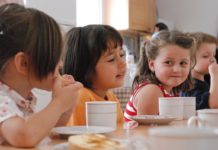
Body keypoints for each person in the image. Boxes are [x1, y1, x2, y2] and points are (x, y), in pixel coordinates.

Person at [0, 3, 82, 147]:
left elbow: (46, 128)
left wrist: (66, 107)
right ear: (24, 63)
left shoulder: (25, 99)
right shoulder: (1, 99)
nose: (61, 64)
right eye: (56, 57)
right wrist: (59, 102)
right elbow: (24, 136)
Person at [124, 30, 196, 122]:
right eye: (168, 62)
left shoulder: (172, 92)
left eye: (183, 63)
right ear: (152, 65)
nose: (177, 69)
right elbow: (147, 133)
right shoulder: (151, 91)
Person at [63, 25, 126, 126]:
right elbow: (80, 138)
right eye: (111, 59)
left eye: (122, 55)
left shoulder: (111, 97)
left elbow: (119, 132)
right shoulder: (81, 96)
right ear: (85, 68)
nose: (123, 63)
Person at [181, 32, 218, 109]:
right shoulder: (190, 85)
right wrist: (215, 76)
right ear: (189, 61)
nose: (213, 59)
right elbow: (214, 105)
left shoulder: (203, 82)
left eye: (214, 55)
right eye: (205, 56)